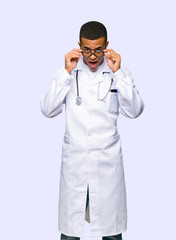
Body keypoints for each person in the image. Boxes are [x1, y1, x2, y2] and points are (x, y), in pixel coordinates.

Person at [40, 21, 144, 240]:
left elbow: (135, 111)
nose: (93, 56)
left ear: (106, 45)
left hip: (107, 166)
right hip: (75, 165)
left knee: (111, 233)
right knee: (70, 234)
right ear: (79, 46)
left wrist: (119, 74)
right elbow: (48, 110)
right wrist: (65, 72)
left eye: (98, 49)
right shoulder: (69, 71)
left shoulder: (117, 72)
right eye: (87, 49)